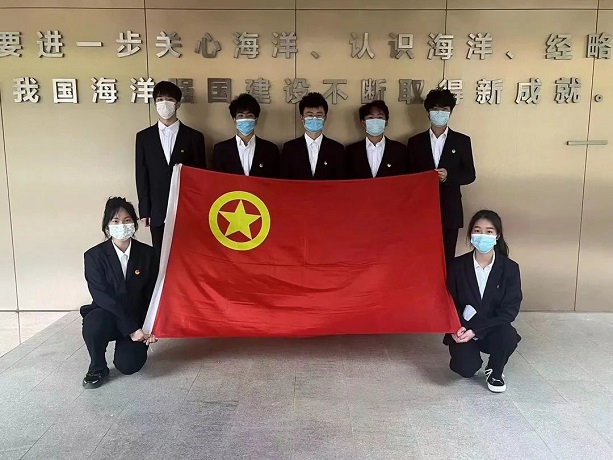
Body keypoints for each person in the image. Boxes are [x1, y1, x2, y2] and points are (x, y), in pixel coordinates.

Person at [80, 197, 159, 389]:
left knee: (129, 365)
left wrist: (153, 325)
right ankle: (97, 367)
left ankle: (129, 348)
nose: (122, 226)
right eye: (115, 221)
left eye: (127, 220)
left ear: (134, 224)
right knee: (93, 323)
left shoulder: (148, 254)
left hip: (136, 317)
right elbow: (102, 297)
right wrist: (131, 329)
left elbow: (153, 293)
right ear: (107, 226)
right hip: (108, 314)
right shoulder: (93, 256)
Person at [444, 210, 522, 393]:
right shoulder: (457, 266)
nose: (482, 236)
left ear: (497, 235)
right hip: (464, 328)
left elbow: (510, 310)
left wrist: (477, 330)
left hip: (493, 328)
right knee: (465, 369)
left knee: (508, 336)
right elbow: (449, 302)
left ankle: (495, 370)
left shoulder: (510, 268)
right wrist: (455, 327)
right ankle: (469, 357)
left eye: (489, 231)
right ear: (471, 234)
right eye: (477, 231)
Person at [135, 80, 206, 259]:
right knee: (161, 258)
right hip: (157, 212)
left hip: (187, 210)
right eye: (160, 99)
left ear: (178, 104)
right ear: (154, 103)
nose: (164, 103)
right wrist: (145, 210)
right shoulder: (144, 138)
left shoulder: (194, 137)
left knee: (188, 257)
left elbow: (201, 177)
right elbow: (142, 176)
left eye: (169, 99)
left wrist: (199, 209)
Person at [406, 88, 476, 262]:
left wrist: (448, 177)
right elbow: (408, 175)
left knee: (447, 257)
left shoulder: (461, 141)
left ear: (450, 112)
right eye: (435, 109)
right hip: (421, 210)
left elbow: (469, 174)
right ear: (428, 112)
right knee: (422, 257)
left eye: (444, 109)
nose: (439, 113)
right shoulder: (415, 142)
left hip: (449, 210)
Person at [212, 93, 280, 178]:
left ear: (256, 120)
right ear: (234, 120)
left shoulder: (270, 150)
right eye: (240, 116)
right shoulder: (220, 150)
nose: (245, 119)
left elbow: (275, 181)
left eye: (249, 115)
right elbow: (217, 180)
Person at [280, 92, 345, 180]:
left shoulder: (337, 149)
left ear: (325, 117)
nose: (314, 118)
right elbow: (284, 181)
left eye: (319, 115)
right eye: (310, 115)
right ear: (302, 117)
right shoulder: (290, 148)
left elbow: (340, 182)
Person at [345, 100, 407, 179]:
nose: (375, 121)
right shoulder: (351, 151)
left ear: (386, 122)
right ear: (363, 123)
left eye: (380, 117)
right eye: (370, 118)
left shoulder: (399, 150)